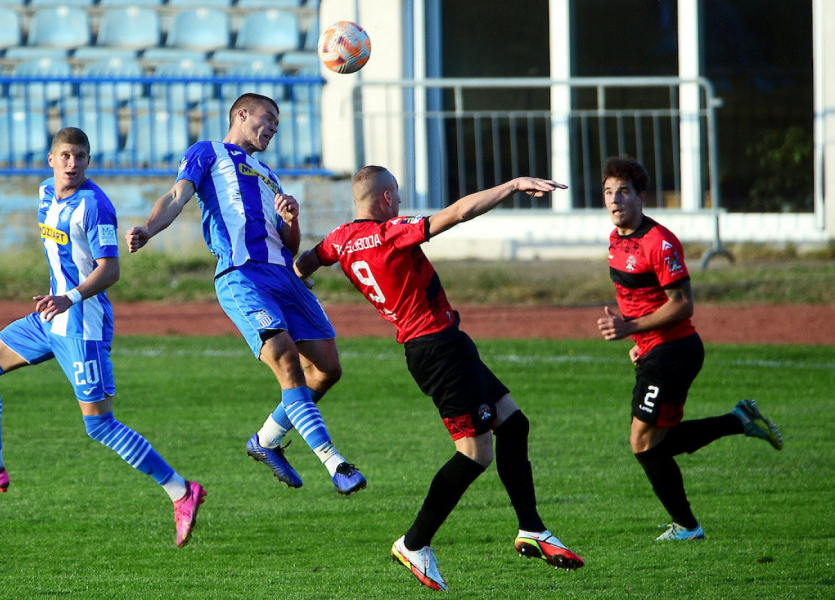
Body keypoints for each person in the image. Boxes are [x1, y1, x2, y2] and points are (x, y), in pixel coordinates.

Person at [294, 165, 584, 592]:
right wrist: (512, 185)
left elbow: (304, 263)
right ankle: (414, 544)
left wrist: (302, 282)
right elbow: (459, 212)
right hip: (438, 350)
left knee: (513, 424)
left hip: (444, 345)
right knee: (475, 453)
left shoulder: (339, 239)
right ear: (387, 198)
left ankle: (532, 529)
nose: (400, 201)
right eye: (397, 194)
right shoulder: (391, 232)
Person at [0, 127, 206, 548]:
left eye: (80, 156)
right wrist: (59, 297)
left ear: (88, 161)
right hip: (50, 318)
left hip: (82, 324)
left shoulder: (96, 206)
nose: (72, 163)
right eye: (65, 155)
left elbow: (110, 270)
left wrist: (69, 297)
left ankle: (181, 491)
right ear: (51, 159)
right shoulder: (45, 192)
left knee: (99, 425)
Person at [125, 93, 365, 495]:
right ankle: (336, 464)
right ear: (241, 114)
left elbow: (289, 244)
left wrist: (291, 219)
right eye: (267, 119)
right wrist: (149, 229)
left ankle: (266, 440)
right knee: (286, 359)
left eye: (277, 124)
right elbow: (176, 197)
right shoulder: (207, 152)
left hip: (285, 277)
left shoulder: (269, 175)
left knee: (327, 370)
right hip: (242, 275)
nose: (272, 128)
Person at [596, 156, 783, 541]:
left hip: (674, 351)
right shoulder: (616, 240)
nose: (615, 199)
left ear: (641, 197)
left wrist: (631, 329)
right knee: (652, 441)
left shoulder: (660, 243)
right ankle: (739, 421)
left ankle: (687, 526)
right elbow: (639, 299)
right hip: (654, 350)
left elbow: (682, 304)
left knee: (643, 442)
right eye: (609, 192)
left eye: (624, 192)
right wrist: (637, 341)